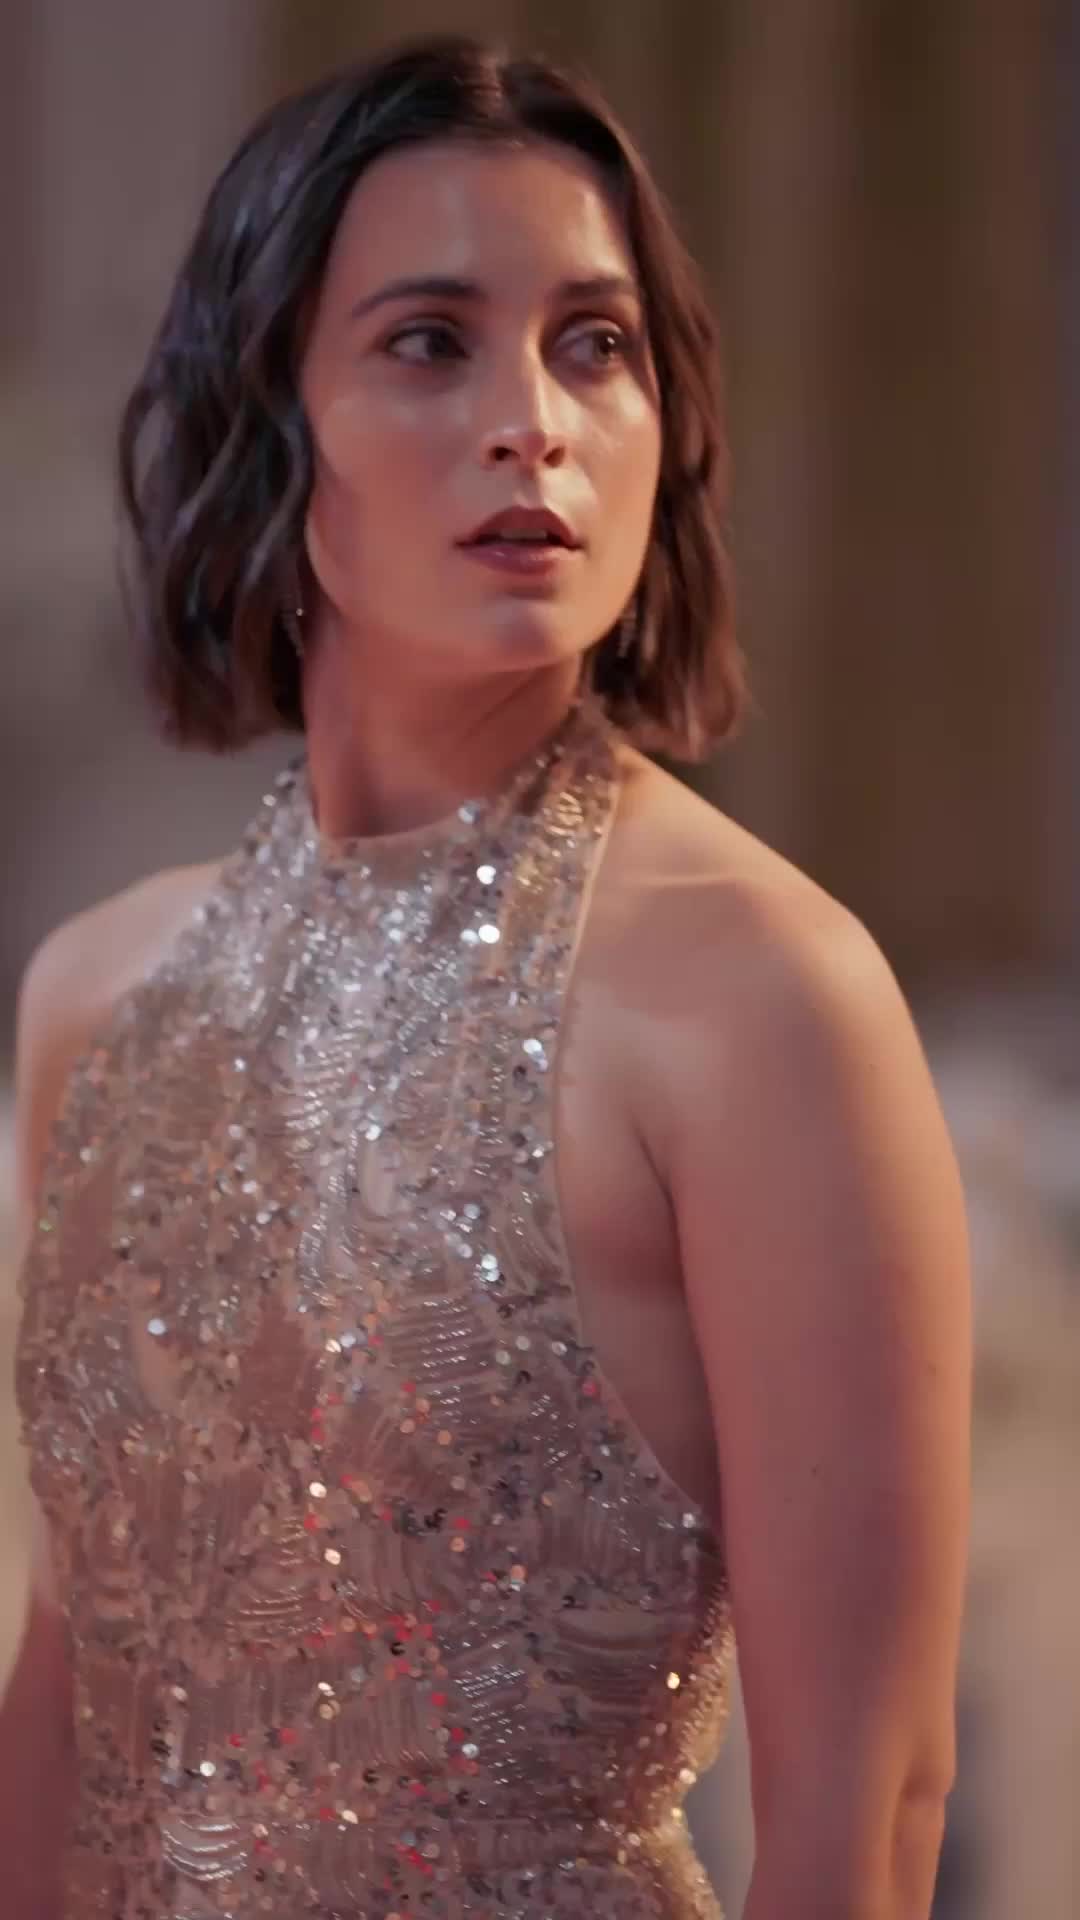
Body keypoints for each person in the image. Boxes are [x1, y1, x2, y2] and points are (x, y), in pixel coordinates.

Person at [6, 32, 971, 1920]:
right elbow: (73, 1687)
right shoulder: (96, 1001)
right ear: (265, 419)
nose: (533, 421)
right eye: (431, 341)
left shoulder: (760, 996)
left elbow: (871, 1809)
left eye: (595, 344)